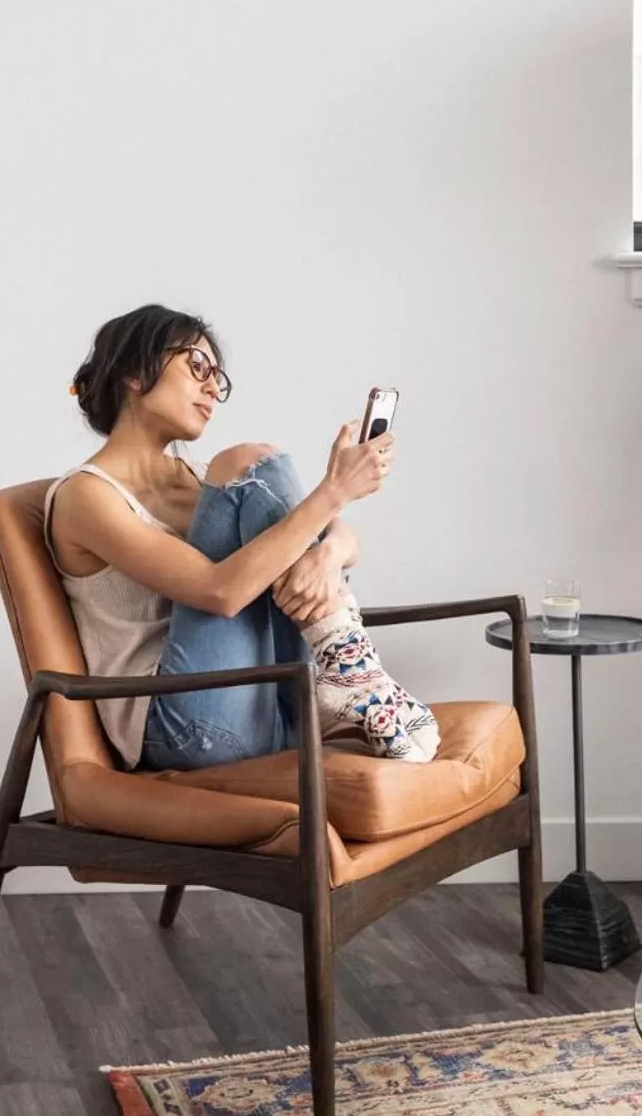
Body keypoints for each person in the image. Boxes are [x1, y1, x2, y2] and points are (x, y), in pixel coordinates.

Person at [41, 303, 440, 774]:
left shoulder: (207, 483)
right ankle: (354, 672)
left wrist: (327, 556)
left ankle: (350, 670)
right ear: (134, 371)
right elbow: (221, 593)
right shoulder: (85, 497)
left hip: (280, 704)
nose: (213, 388)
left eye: (218, 378)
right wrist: (333, 493)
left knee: (254, 476)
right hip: (186, 727)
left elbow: (346, 540)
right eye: (197, 367)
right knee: (249, 461)